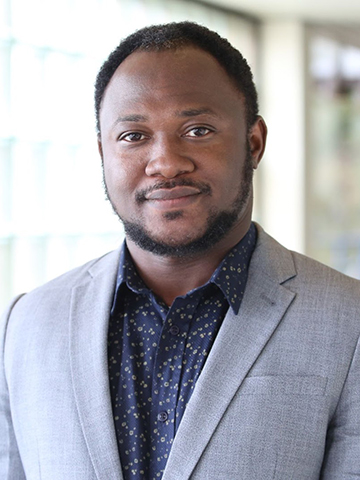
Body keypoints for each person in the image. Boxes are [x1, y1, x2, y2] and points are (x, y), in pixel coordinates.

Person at [1, 21, 359, 480]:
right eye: (133, 136)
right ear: (102, 155)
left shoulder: (350, 322)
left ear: (254, 143)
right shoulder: (26, 325)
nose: (166, 162)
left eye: (198, 129)